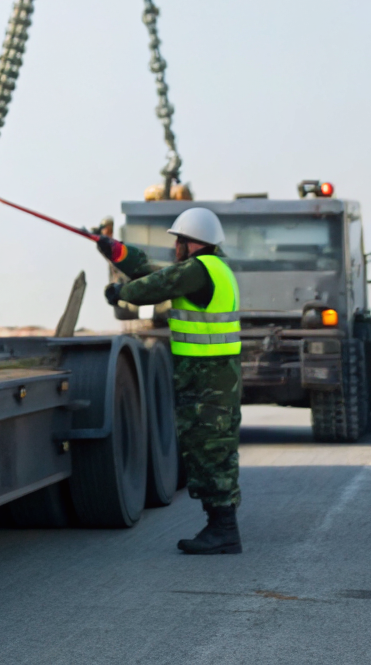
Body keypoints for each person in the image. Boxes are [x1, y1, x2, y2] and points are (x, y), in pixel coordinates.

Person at [98, 206, 243, 554]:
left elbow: (157, 284)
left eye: (178, 240)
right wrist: (117, 252)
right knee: (208, 448)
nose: (175, 246)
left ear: (193, 243)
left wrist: (121, 293)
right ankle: (219, 527)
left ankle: (224, 531)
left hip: (209, 379)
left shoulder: (199, 270)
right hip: (211, 377)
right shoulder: (210, 269)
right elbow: (152, 273)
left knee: (211, 451)